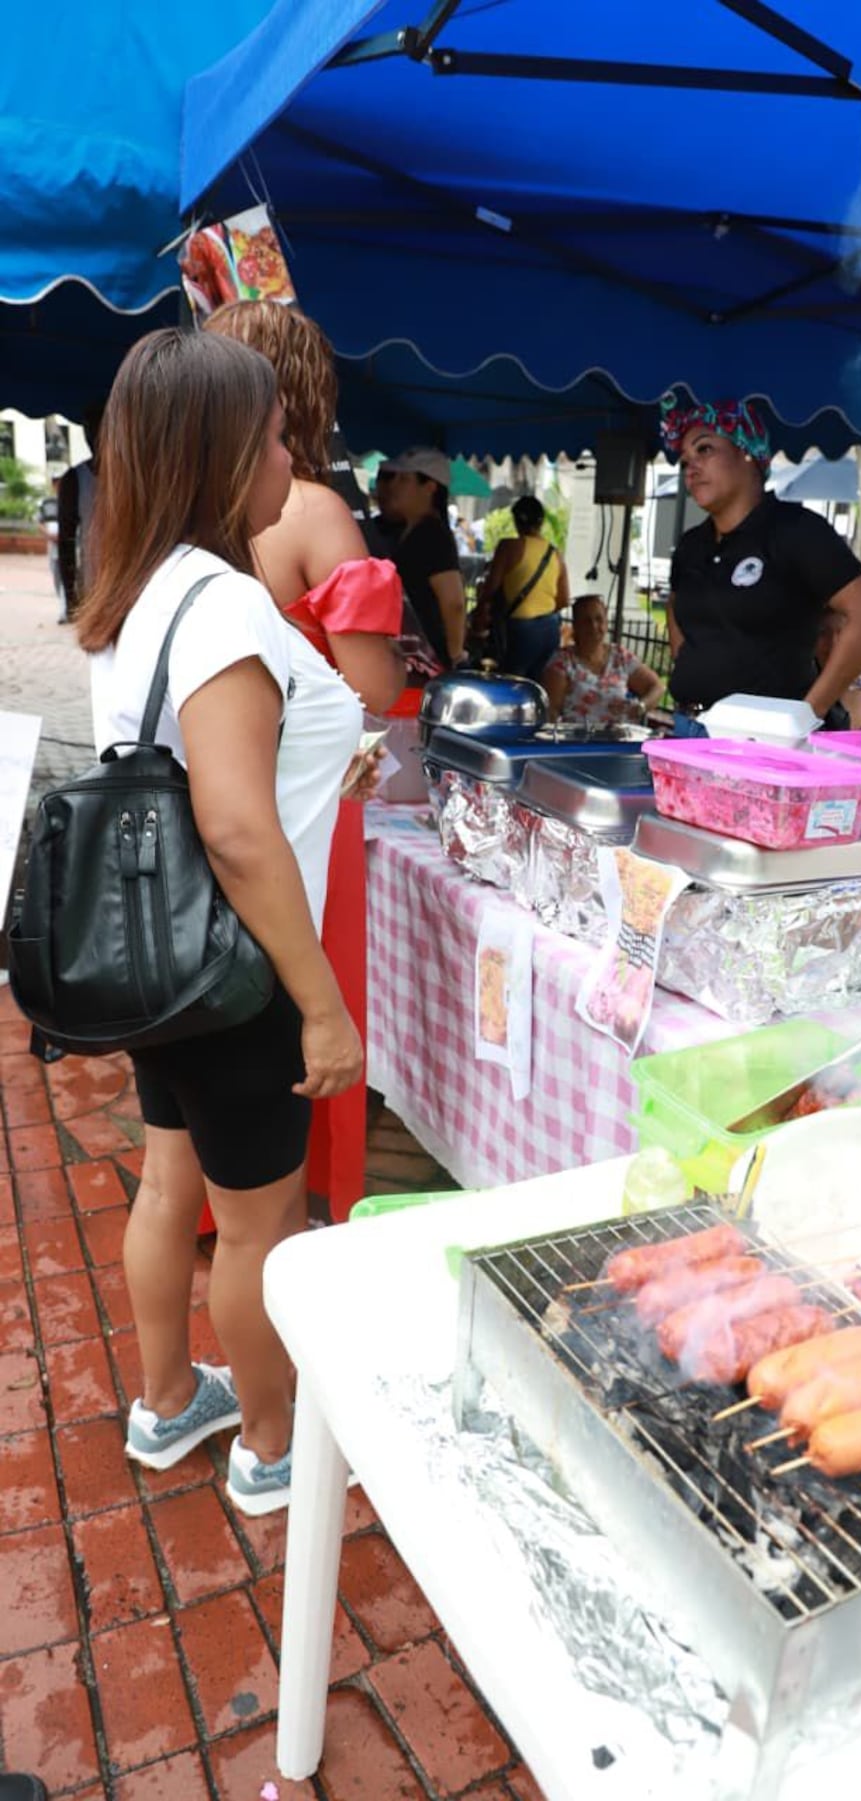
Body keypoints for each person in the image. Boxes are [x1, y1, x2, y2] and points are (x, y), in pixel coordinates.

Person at [76, 327, 364, 1515]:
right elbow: (239, 829)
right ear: (225, 453)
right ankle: (272, 1445)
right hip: (239, 969)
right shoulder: (229, 606)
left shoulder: (136, 597)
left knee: (168, 1186)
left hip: (159, 956)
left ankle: (163, 1404)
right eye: (277, 436)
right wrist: (323, 1005)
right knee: (259, 1229)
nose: (290, 456)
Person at [204, 300, 405, 1223]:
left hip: (211, 797)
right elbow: (369, 691)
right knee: (300, 1036)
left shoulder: (183, 517)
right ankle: (289, 1223)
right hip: (310, 812)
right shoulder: (318, 512)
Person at [660, 393, 861, 732]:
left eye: (705, 449)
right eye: (684, 460)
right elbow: (676, 605)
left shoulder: (796, 530)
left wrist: (807, 714)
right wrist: (692, 665)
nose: (690, 468)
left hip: (760, 737)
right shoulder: (691, 544)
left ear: (748, 453)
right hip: (689, 725)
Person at [375, 447, 467, 671]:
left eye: (404, 479)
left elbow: (454, 602)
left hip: (426, 655)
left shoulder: (433, 535)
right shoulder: (397, 530)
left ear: (430, 487)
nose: (393, 486)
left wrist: (454, 655)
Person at [473, 494, 569, 679]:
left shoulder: (508, 547)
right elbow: (564, 599)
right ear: (541, 522)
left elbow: (490, 589)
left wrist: (479, 617)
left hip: (520, 629)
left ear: (516, 520)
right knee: (539, 685)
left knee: (512, 683)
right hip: (550, 630)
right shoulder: (555, 553)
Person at [542, 593, 665, 727]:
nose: (594, 626)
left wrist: (640, 707)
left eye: (599, 619)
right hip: (578, 742)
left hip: (620, 739)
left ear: (606, 623)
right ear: (576, 626)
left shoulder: (620, 656)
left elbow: (657, 687)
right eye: (586, 621)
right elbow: (551, 712)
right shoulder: (562, 662)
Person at [58, 398, 105, 623]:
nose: (93, 436)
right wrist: (70, 593)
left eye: (99, 427)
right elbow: (65, 539)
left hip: (135, 583)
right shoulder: (75, 480)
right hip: (95, 586)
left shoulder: (134, 476)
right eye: (88, 429)